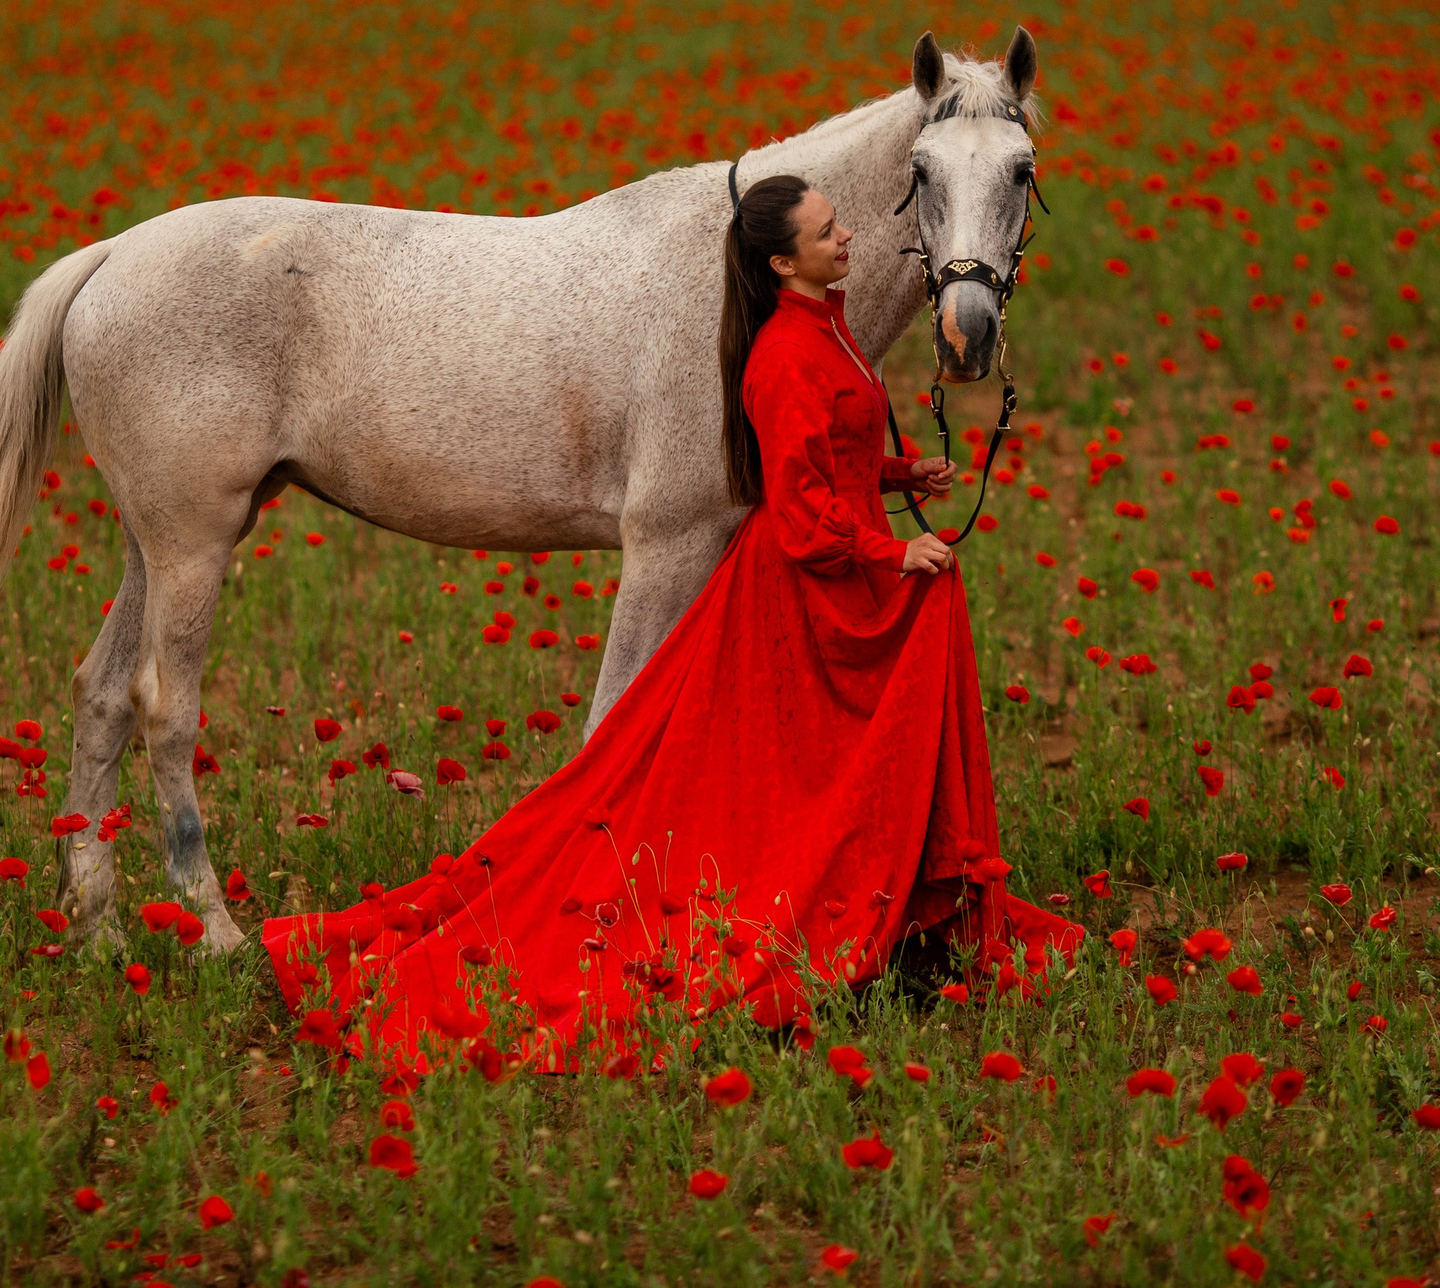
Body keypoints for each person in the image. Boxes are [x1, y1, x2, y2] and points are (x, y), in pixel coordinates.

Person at [260, 174, 1083, 1077]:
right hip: (803, 587)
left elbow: (822, 457)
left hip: (831, 568)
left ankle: (889, 896)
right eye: (826, 230)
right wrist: (896, 555)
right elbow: (800, 514)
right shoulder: (782, 355)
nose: (849, 236)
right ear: (782, 263)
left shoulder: (831, 329)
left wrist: (897, 477)